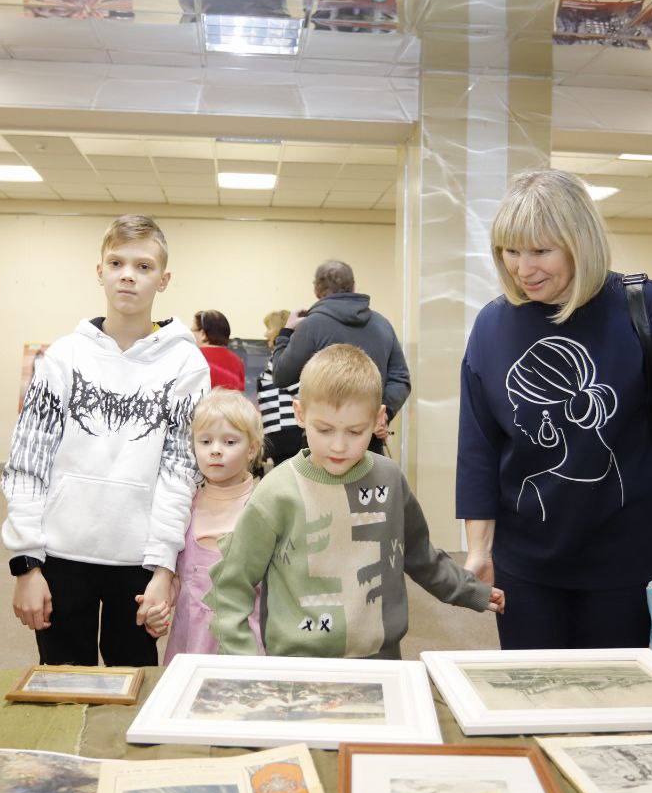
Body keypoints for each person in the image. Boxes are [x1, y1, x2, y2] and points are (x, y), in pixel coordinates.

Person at [456, 169, 652, 650]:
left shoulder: (643, 307)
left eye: (540, 251)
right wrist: (479, 550)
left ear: (580, 242)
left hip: (628, 561)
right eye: (511, 251)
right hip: (525, 565)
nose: (523, 268)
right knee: (534, 688)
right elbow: (479, 448)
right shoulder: (492, 326)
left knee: (621, 691)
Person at [1, 214, 209, 667]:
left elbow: (180, 471)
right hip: (60, 555)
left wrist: (164, 567)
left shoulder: (186, 363)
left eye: (143, 266)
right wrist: (26, 562)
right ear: (100, 271)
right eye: (116, 263)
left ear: (163, 280)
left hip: (139, 560)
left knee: (135, 689)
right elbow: (27, 462)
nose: (128, 275)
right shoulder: (64, 355)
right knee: (62, 687)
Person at [207, 344, 504, 658]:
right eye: (324, 430)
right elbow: (233, 582)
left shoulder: (390, 479)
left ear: (378, 420)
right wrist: (243, 661)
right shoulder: (276, 491)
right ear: (300, 414)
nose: (338, 446)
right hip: (298, 665)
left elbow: (421, 556)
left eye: (354, 431)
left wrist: (469, 590)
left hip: (382, 659)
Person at [148, 389, 266, 660]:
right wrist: (160, 608)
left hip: (245, 653)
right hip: (190, 648)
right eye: (205, 441)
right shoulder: (185, 508)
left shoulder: (264, 507)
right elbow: (182, 580)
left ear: (251, 449)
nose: (215, 450)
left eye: (229, 441)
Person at [271, 261, 409, 455]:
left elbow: (281, 376)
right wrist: (383, 414)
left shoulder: (311, 325)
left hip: (323, 441)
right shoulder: (383, 324)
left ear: (316, 291)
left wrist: (286, 332)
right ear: (354, 287)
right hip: (367, 437)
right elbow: (401, 378)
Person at [257, 308, 304, 466]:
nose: (266, 334)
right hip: (283, 434)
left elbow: (302, 392)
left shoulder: (284, 359)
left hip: (288, 433)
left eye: (268, 328)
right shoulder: (284, 358)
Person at [192, 309, 245, 391]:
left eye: (192, 330)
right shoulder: (238, 362)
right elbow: (240, 393)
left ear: (203, 334)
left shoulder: (194, 357)